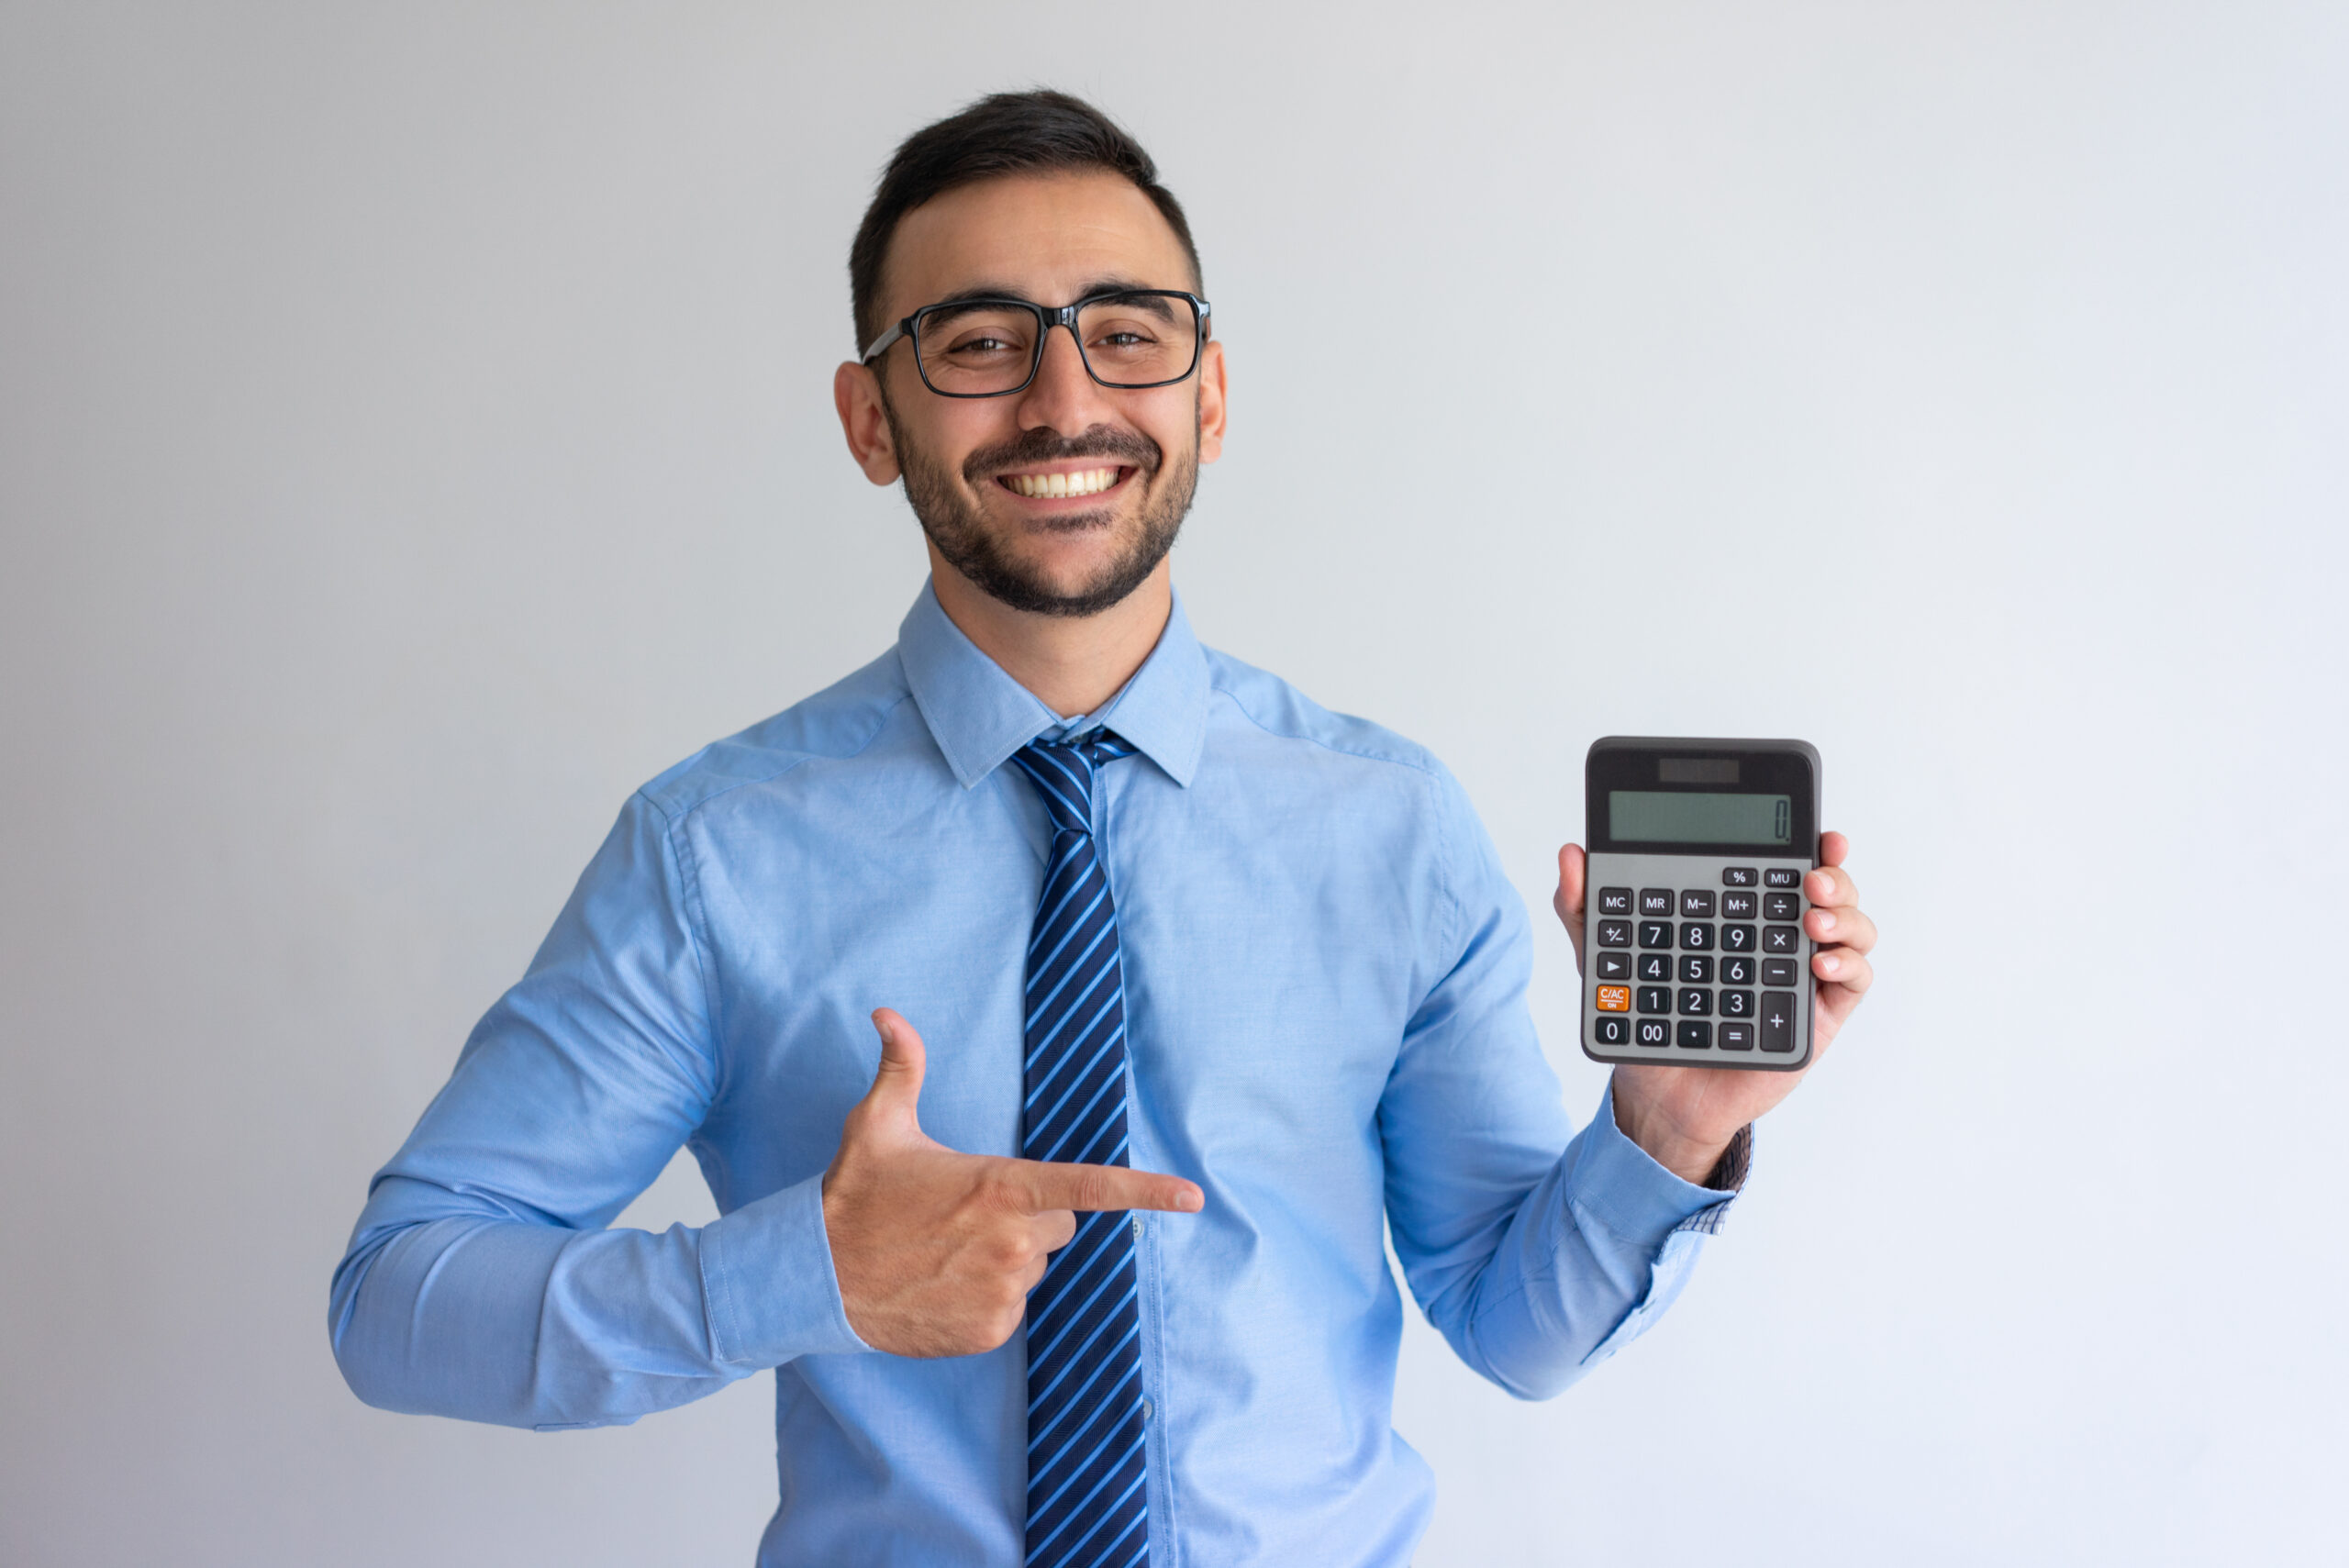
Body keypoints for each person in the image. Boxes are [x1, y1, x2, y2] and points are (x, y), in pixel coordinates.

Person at [329, 89, 1879, 1568]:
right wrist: (810, 1270)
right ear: (872, 419)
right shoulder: (712, 853)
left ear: (1206, 395)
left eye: (1124, 335)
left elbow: (1512, 1321)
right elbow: (399, 1296)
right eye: (981, 342)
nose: (1064, 400)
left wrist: (1668, 1131)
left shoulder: (1386, 824)